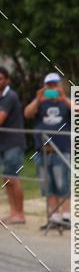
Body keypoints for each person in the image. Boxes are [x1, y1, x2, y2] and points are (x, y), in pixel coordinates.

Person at [24, 72, 72, 228]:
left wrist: (63, 97)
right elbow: (27, 113)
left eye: (55, 84)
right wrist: (38, 99)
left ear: (60, 85)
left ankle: (67, 217)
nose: (52, 88)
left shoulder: (66, 102)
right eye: (49, 85)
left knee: (62, 183)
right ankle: (55, 217)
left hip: (61, 149)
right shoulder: (40, 102)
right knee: (47, 185)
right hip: (43, 151)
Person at [0, 66, 26, 224]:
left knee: (13, 178)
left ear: (7, 80)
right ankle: (13, 213)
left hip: (13, 143)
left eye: (1, 79)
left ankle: (20, 214)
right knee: (7, 179)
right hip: (4, 144)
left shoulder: (10, 96)